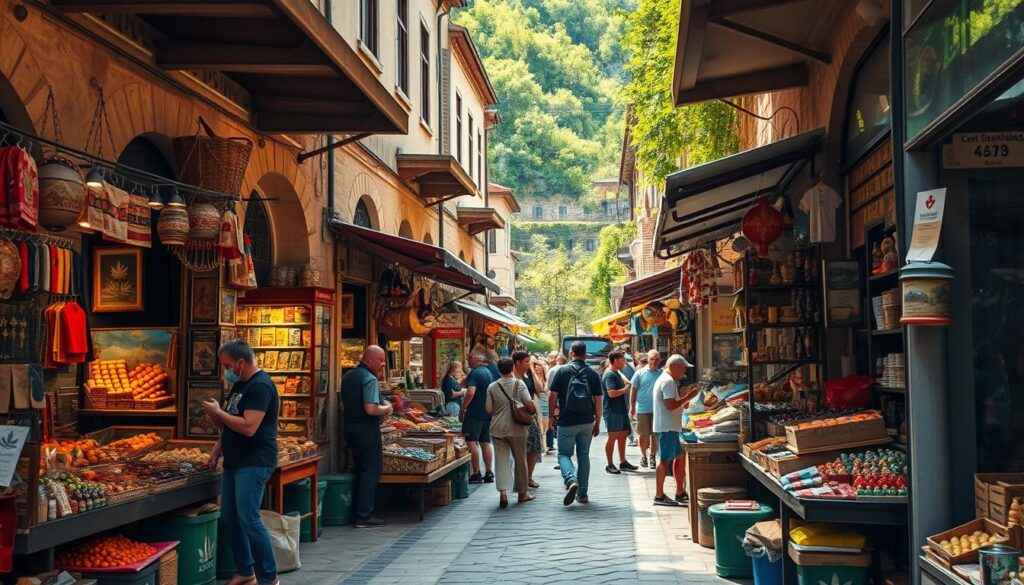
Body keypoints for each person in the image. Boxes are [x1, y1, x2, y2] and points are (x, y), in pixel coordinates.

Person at [203, 339, 279, 585]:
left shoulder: (260, 387)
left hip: (254, 460)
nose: (224, 370)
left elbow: (248, 427)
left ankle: (269, 577)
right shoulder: (239, 387)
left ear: (241, 362)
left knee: (249, 517)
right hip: (234, 461)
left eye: (227, 365)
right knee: (229, 517)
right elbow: (229, 425)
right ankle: (246, 571)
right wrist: (217, 450)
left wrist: (219, 413)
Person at [339, 345, 393, 527]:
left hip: (350, 427)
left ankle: (355, 511)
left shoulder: (347, 377)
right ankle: (364, 515)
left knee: (360, 469)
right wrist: (387, 408)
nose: (383, 365)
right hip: (366, 429)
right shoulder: (369, 378)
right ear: (370, 359)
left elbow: (344, 406)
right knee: (371, 470)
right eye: (381, 360)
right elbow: (371, 408)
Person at [548, 341, 602, 505]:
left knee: (564, 454)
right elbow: (598, 400)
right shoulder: (592, 374)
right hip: (586, 421)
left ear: (571, 353)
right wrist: (597, 421)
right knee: (583, 456)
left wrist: (551, 417)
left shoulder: (562, 371)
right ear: (585, 354)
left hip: (566, 420)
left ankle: (571, 479)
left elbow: (552, 396)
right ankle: (583, 494)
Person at [486, 357, 537, 508]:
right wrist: (531, 409)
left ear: (499, 370)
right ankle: (522, 493)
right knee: (520, 460)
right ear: (512, 368)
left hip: (498, 428)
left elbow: (489, 409)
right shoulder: (519, 384)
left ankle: (503, 493)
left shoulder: (492, 386)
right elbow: (529, 403)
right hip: (517, 428)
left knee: (501, 460)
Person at [652, 354, 700, 507]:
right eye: (683, 368)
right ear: (674, 366)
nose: (684, 372)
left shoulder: (668, 380)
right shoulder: (667, 381)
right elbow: (670, 405)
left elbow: (674, 404)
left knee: (679, 457)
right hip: (667, 427)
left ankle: (680, 491)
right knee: (665, 460)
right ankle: (659, 495)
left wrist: (683, 402)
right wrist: (688, 397)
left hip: (670, 426)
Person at [461, 352, 495, 484]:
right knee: (485, 442)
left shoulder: (474, 373)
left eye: (469, 358)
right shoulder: (487, 372)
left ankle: (476, 473)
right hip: (486, 412)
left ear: (476, 359)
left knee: (471, 441)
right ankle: (489, 472)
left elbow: (470, 392)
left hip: (474, 413)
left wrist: (463, 408)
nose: (468, 361)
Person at [602, 351, 637, 474]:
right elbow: (611, 393)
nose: (625, 362)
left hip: (621, 409)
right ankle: (609, 464)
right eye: (622, 359)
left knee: (623, 435)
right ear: (615, 360)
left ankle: (623, 462)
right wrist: (626, 388)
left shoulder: (616, 372)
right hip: (612, 410)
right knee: (612, 436)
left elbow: (624, 378)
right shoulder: (609, 375)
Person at [630, 350, 663, 469]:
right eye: (652, 359)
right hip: (642, 409)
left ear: (660, 361)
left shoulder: (662, 373)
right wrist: (632, 406)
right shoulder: (640, 373)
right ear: (648, 359)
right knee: (643, 435)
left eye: (657, 359)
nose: (654, 361)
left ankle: (653, 456)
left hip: (658, 410)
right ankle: (643, 455)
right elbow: (633, 390)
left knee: (655, 435)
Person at [517, 352, 543, 487]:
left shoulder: (528, 376)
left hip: (531, 416)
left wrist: (532, 370)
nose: (529, 364)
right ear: (517, 363)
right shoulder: (513, 378)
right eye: (526, 362)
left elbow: (540, 389)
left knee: (534, 448)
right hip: (518, 417)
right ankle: (522, 478)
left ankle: (529, 477)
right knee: (522, 449)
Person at [545, 352, 567, 456]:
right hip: (564, 403)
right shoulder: (568, 369)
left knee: (555, 424)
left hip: (555, 402)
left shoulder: (552, 370)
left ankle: (555, 446)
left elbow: (549, 388)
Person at [531, 358, 551, 454]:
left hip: (545, 404)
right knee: (540, 426)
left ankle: (544, 446)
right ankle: (543, 447)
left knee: (545, 427)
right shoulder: (533, 379)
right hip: (537, 403)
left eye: (540, 366)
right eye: (536, 366)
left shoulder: (546, 378)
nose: (538, 368)